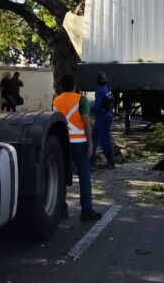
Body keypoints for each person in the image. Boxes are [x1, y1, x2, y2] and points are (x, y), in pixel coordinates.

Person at [52, 74, 101, 221]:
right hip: (79, 143)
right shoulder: (81, 99)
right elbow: (86, 122)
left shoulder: (56, 100)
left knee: (61, 177)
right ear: (74, 85)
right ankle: (86, 211)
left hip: (63, 144)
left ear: (62, 86)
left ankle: (61, 209)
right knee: (84, 177)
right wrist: (90, 142)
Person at [90, 71, 115, 169]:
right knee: (94, 138)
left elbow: (96, 106)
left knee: (104, 140)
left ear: (97, 81)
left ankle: (110, 162)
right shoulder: (108, 89)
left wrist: (89, 111)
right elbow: (112, 101)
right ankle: (91, 162)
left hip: (102, 117)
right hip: (107, 115)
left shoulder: (99, 90)